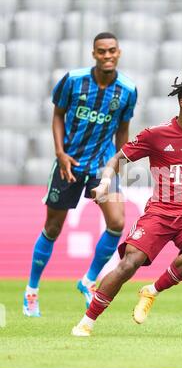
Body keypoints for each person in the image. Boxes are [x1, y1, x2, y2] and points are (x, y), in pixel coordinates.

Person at [72, 65, 182, 337]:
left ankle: (152, 291)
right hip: (160, 211)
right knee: (129, 263)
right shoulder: (156, 135)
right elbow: (118, 158)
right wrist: (105, 183)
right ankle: (87, 321)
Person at [23, 32, 138, 317]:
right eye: (102, 51)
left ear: (119, 52)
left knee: (117, 222)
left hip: (102, 166)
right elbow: (58, 115)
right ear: (94, 54)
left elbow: (122, 130)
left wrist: (118, 166)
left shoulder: (127, 90)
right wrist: (60, 153)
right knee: (53, 228)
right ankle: (32, 291)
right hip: (69, 164)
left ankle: (88, 281)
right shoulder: (73, 81)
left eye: (112, 50)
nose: (107, 55)